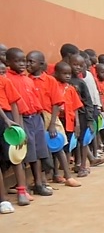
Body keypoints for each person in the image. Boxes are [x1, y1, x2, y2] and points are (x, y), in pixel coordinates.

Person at [27, 51, 81, 188]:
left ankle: (68, 176)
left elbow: (57, 102)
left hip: (49, 116)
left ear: (41, 64)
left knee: (57, 145)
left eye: (31, 61)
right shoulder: (28, 80)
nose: (27, 64)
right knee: (40, 149)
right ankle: (42, 178)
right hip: (34, 116)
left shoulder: (50, 80)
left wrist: (52, 123)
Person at [5, 48, 53, 199]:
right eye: (17, 61)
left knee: (39, 151)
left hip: (35, 117)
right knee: (27, 152)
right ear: (8, 63)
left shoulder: (28, 79)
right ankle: (23, 187)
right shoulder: (8, 79)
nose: (22, 64)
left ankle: (39, 183)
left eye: (24, 61)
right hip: (22, 119)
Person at [53, 62, 84, 186]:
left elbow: (76, 107)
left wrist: (77, 123)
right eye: (64, 73)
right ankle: (56, 173)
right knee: (56, 146)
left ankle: (66, 171)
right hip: (57, 120)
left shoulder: (71, 89)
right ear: (56, 73)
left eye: (69, 74)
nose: (67, 76)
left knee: (67, 147)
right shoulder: (54, 86)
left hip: (69, 121)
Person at [0, 60, 24, 210]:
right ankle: (3, 200)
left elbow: (14, 103)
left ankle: (22, 191)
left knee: (15, 156)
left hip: (6, 121)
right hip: (4, 118)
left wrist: (16, 123)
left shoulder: (5, 81)